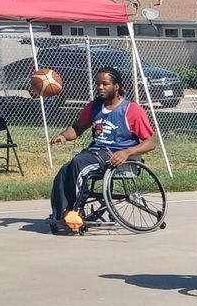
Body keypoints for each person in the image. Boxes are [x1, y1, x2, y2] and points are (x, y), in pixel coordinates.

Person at [47, 67, 156, 234]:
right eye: (98, 84)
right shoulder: (94, 107)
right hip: (95, 153)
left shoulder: (131, 110)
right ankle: (62, 213)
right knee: (64, 170)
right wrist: (63, 136)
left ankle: (76, 212)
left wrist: (127, 152)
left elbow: (150, 142)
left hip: (116, 155)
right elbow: (78, 128)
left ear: (117, 86)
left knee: (78, 164)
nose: (100, 87)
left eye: (105, 84)